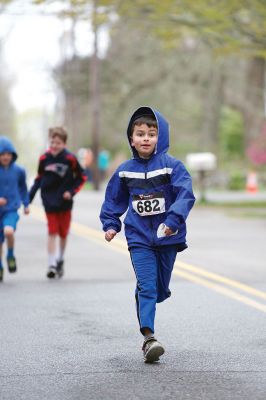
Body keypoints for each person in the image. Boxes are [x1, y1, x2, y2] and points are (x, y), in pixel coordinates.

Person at [100, 107, 195, 363]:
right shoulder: (124, 170)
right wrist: (111, 224)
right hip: (139, 237)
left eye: (151, 134)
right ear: (131, 138)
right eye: (140, 134)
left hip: (168, 237)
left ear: (160, 137)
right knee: (147, 285)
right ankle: (149, 338)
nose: (145, 138)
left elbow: (186, 195)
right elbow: (113, 201)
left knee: (160, 288)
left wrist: (173, 220)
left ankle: (149, 294)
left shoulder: (172, 166)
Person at [29, 127, 86, 279]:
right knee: (52, 231)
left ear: (64, 144)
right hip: (48, 201)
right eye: (52, 142)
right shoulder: (44, 159)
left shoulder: (70, 159)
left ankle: (60, 259)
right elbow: (38, 179)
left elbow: (82, 177)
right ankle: (51, 264)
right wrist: (28, 199)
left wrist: (71, 192)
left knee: (63, 233)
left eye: (58, 143)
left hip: (65, 202)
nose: (54, 145)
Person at [0, 136, 30, 282]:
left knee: (8, 231)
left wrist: (26, 204)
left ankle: (10, 255)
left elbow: (23, 189)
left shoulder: (19, 171)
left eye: (8, 154)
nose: (6, 157)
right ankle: (0, 266)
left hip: (11, 209)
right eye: (2, 154)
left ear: (12, 155)